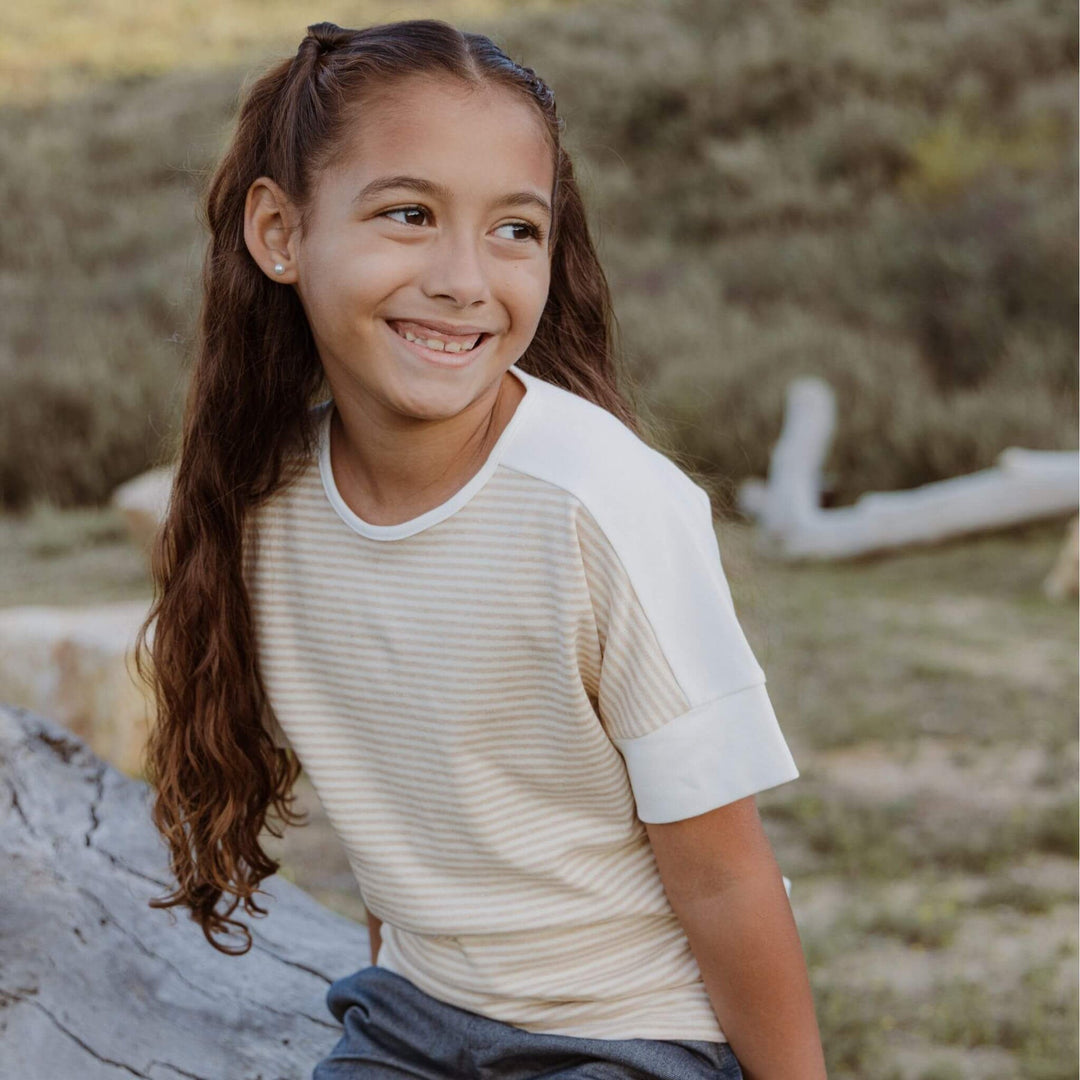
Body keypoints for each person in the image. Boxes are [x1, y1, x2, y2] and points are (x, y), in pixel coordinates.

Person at [135, 18, 828, 1080]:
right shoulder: (261, 501)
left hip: (633, 1040)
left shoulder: (601, 505)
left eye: (516, 230)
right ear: (279, 233)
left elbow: (729, 878)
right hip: (412, 1024)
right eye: (409, 214)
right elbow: (405, 824)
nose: (465, 279)